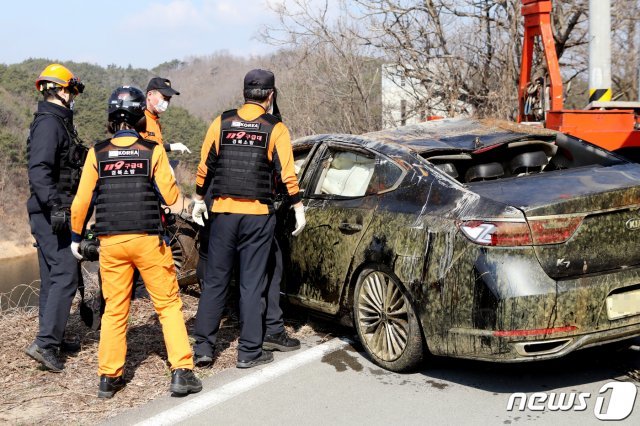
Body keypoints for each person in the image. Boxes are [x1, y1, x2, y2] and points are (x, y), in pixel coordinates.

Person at [70, 86, 201, 398]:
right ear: (140, 115)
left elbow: (80, 204)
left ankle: (108, 378)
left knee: (115, 308)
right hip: (149, 240)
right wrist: (192, 207)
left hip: (111, 243)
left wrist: (76, 239)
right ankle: (182, 372)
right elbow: (171, 199)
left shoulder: (96, 152)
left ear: (111, 117)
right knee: (168, 305)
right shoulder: (152, 150)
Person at [191, 69, 306, 368]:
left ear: (244, 93)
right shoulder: (275, 127)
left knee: (215, 281)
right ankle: (249, 351)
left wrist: (197, 199)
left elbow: (205, 167)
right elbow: (287, 174)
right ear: (270, 96)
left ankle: (203, 348)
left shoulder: (222, 121)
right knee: (251, 284)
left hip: (223, 215)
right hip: (257, 217)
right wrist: (298, 207)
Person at [25, 63, 86, 372]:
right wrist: (57, 207)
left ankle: (53, 336)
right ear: (61, 90)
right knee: (65, 275)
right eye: (72, 91)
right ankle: (46, 344)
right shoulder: (49, 123)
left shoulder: (58, 122)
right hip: (52, 212)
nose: (74, 96)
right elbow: (39, 170)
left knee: (53, 275)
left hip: (55, 210)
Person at [141, 77, 191, 154]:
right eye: (163, 98)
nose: (166, 102)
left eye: (168, 99)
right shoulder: (139, 120)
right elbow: (139, 150)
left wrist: (170, 147)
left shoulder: (156, 122)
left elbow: (156, 148)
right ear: (150, 95)